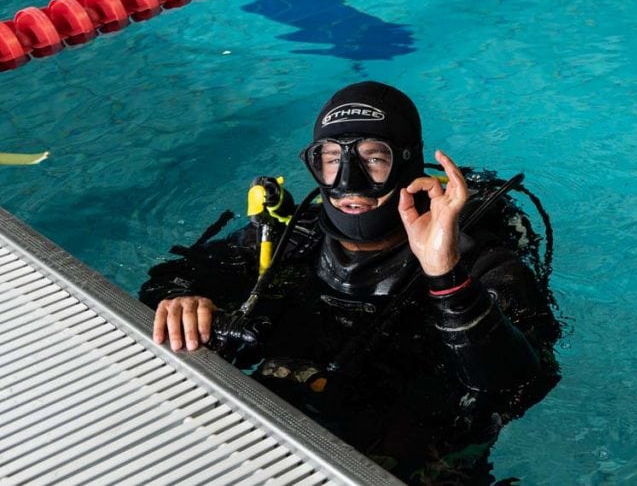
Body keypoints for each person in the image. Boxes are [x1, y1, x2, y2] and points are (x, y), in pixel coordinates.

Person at [140, 81, 561, 484]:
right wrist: (182, 298)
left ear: (408, 165)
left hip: (418, 456)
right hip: (272, 435)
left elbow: (520, 382)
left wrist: (444, 273)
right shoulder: (292, 239)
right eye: (331, 158)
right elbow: (169, 280)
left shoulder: (481, 262)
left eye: (373, 158)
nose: (348, 182)